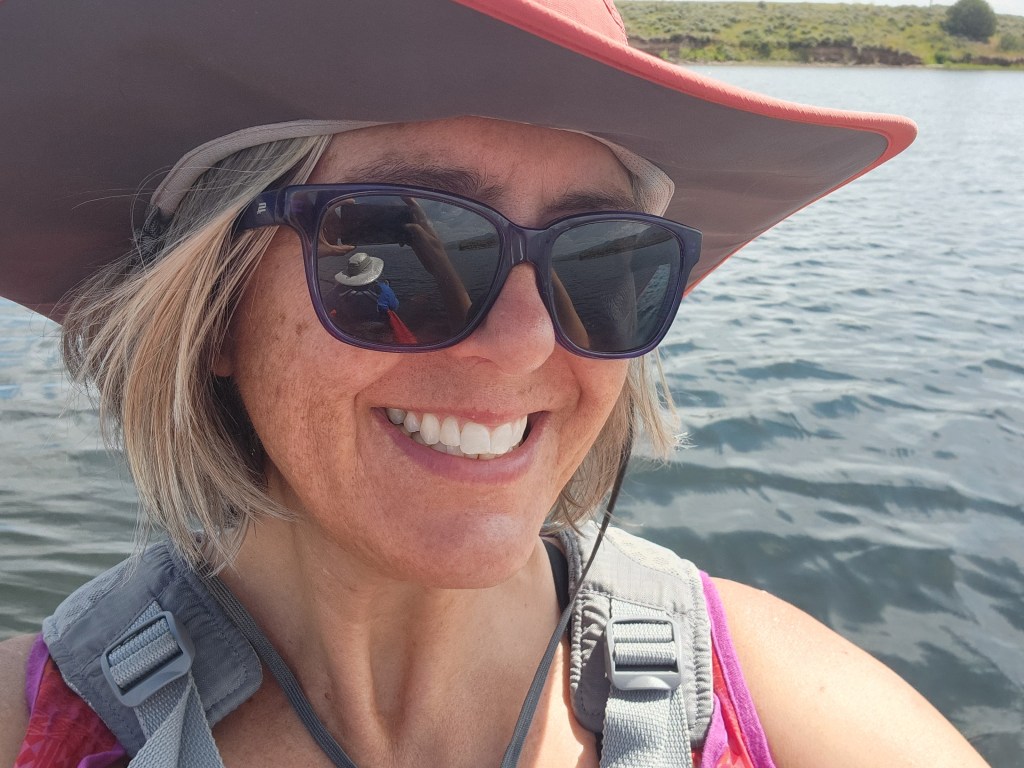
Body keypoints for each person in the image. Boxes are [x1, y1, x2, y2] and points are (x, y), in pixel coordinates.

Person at [0, 1, 990, 766]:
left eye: (602, 260)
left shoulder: (790, 716)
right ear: (215, 306)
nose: (524, 346)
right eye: (395, 248)